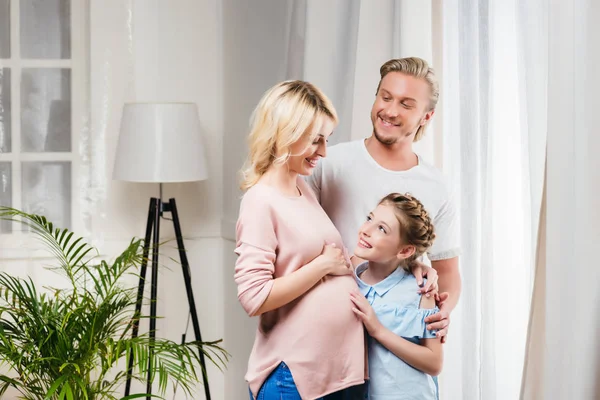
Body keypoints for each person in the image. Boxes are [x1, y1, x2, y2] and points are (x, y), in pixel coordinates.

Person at [306, 57, 461, 340]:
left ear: (427, 116)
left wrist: (442, 313)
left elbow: (447, 270)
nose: (389, 111)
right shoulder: (329, 163)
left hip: (396, 344)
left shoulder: (437, 186)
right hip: (331, 334)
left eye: (406, 104)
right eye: (385, 97)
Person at [234, 80, 366, 400]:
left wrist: (413, 267)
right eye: (315, 140)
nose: (323, 151)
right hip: (293, 377)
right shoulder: (260, 201)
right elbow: (254, 297)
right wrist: (320, 266)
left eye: (326, 140)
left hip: (338, 374)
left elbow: (339, 265)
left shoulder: (302, 189)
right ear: (285, 134)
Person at [350, 193, 442, 400]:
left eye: (382, 229)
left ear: (405, 250)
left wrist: (378, 330)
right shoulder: (349, 281)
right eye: (369, 219)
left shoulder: (421, 289)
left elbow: (434, 363)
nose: (366, 230)